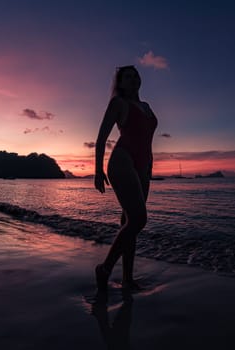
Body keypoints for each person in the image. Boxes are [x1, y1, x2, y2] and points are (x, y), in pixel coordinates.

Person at [94, 65, 158, 291]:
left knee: (129, 222)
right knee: (139, 219)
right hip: (122, 160)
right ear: (120, 83)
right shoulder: (118, 104)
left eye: (135, 75)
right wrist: (98, 170)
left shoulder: (147, 106)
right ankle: (105, 269)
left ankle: (127, 279)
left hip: (143, 165)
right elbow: (101, 138)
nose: (132, 79)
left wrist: (149, 168)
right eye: (127, 77)